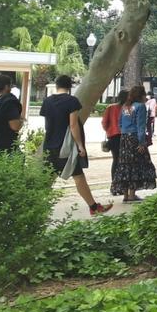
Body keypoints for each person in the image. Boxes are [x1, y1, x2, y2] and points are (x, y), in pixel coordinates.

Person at [41, 75, 111, 216]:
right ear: (70, 87)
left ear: (56, 85)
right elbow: (73, 125)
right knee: (78, 177)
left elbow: (47, 124)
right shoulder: (71, 101)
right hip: (65, 147)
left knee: (47, 177)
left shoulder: (47, 101)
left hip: (49, 145)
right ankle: (93, 207)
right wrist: (80, 145)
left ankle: (34, 206)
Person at [111, 85, 156, 202]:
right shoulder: (140, 107)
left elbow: (120, 123)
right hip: (135, 137)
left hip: (124, 139)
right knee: (136, 165)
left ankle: (125, 195)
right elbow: (141, 126)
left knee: (125, 165)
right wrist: (142, 143)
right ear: (141, 95)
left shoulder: (126, 106)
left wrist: (125, 133)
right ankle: (132, 194)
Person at [103, 89, 127, 176]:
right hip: (125, 136)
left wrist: (108, 130)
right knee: (124, 159)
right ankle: (123, 179)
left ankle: (114, 181)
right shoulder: (127, 108)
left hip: (112, 136)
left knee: (116, 159)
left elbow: (104, 122)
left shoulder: (110, 107)